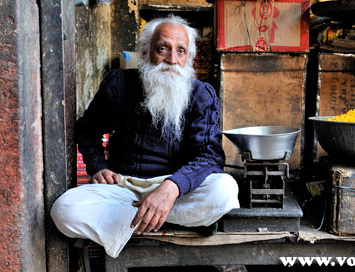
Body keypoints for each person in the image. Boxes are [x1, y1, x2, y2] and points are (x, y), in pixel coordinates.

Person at [51, 15, 240, 258]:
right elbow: (87, 129)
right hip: (123, 187)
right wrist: (97, 166)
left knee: (224, 191)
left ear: (189, 58)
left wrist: (171, 188)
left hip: (174, 190)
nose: (172, 60)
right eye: (163, 49)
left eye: (181, 51)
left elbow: (208, 156)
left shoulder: (201, 95)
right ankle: (157, 218)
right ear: (146, 51)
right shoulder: (119, 84)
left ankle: (133, 221)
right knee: (64, 211)